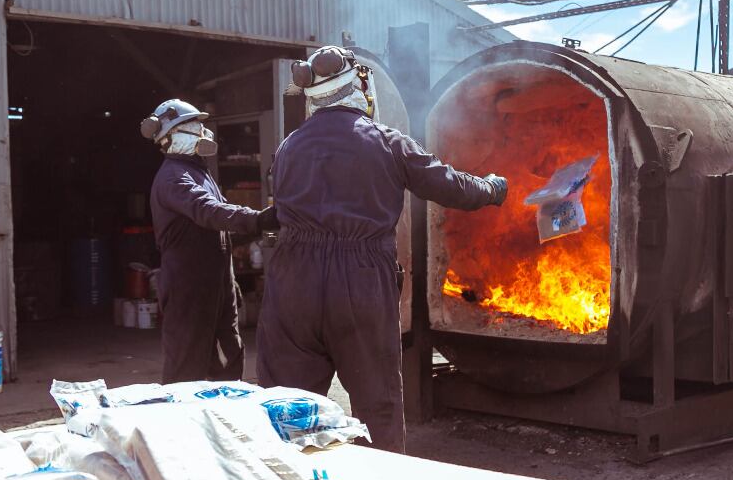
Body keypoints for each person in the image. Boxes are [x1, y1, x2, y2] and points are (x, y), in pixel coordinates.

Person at [257, 46, 507, 453]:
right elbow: (450, 186)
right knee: (377, 405)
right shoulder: (387, 142)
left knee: (285, 405)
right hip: (359, 282)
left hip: (292, 282)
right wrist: (491, 189)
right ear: (360, 88)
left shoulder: (289, 147)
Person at [142, 98, 276, 382]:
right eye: (195, 126)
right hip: (188, 288)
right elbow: (209, 211)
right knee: (186, 369)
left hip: (216, 286)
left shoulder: (199, 172)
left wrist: (253, 232)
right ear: (171, 135)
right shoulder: (173, 178)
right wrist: (259, 219)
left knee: (227, 360)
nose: (203, 132)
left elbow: (218, 224)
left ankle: (221, 422)